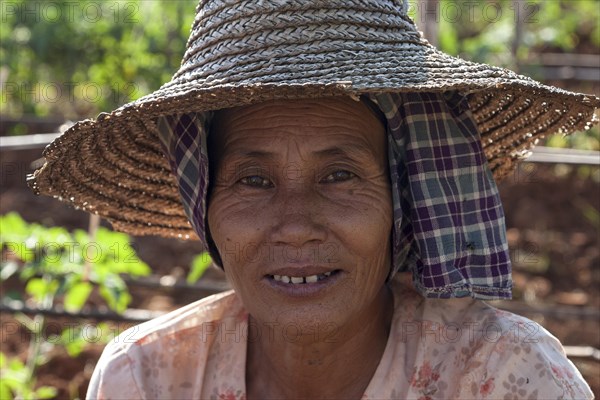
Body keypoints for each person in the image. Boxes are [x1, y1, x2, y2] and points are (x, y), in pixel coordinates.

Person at [28, 1, 597, 399]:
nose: (296, 228)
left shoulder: (505, 380)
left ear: (402, 202)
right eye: (253, 180)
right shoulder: (145, 378)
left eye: (340, 175)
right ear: (204, 206)